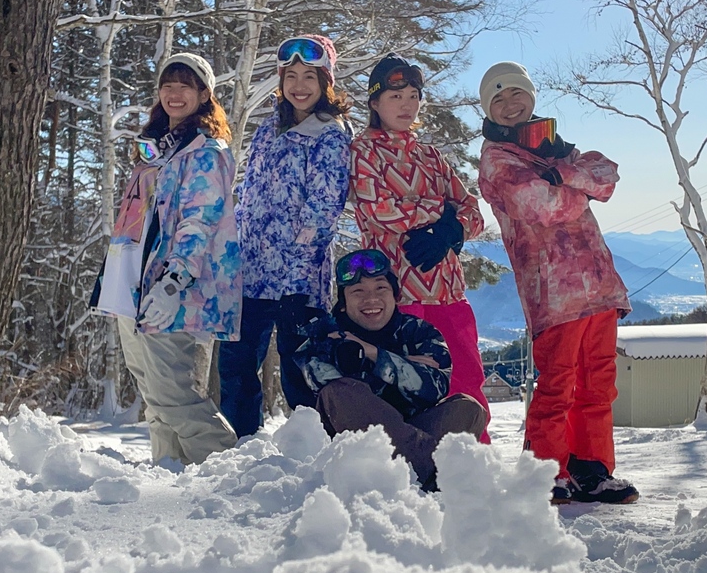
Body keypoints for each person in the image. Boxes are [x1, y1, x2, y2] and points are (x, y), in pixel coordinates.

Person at [477, 61, 639, 505]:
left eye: (517, 94)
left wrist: (564, 174)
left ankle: (592, 470)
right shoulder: (497, 158)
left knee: (599, 383)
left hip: (600, 284)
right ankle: (546, 471)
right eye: (498, 98)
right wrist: (577, 185)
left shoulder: (553, 148)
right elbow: (543, 205)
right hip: (553, 290)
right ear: (488, 109)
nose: (510, 105)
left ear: (531, 97)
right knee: (559, 382)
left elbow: (606, 174)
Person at [108, 51, 241, 465]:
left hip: (176, 287)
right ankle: (170, 473)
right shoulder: (157, 149)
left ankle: (224, 474)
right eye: (168, 84)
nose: (175, 93)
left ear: (205, 94)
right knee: (154, 394)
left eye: (185, 85)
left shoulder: (205, 151)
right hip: (132, 282)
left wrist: (173, 282)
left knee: (174, 395)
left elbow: (199, 222)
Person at [349, 56, 490, 438]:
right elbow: (378, 211)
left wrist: (451, 232)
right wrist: (439, 212)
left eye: (414, 95)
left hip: (448, 290)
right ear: (375, 103)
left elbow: (474, 213)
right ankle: (418, 467)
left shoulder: (431, 156)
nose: (407, 104)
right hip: (398, 291)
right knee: (412, 382)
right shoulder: (363, 152)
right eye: (396, 95)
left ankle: (476, 466)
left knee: (466, 379)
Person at [218, 34, 352, 438]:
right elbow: (249, 198)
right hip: (253, 273)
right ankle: (241, 448)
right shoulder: (268, 128)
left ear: (326, 82)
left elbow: (323, 208)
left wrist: (297, 279)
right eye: (290, 75)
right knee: (236, 365)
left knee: (300, 374)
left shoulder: (329, 134)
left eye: (309, 76)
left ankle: (308, 453)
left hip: (298, 281)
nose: (299, 85)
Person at [293, 249, 488, 490]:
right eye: (358, 292)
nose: (371, 299)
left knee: (469, 408)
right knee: (340, 393)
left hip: (417, 426)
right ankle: (430, 473)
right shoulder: (322, 338)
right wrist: (408, 365)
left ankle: (417, 474)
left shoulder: (419, 331)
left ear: (394, 295)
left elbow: (434, 387)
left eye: (380, 288)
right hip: (356, 454)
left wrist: (373, 355)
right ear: (343, 303)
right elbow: (336, 395)